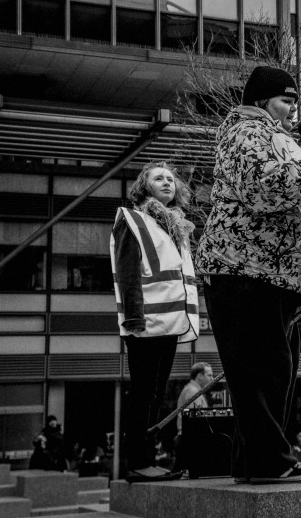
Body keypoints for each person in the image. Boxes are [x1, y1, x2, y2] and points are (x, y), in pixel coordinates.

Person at [196, 65, 301, 484]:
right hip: (244, 269)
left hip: (265, 272)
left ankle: (251, 463)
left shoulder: (276, 139)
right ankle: (269, 461)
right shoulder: (247, 132)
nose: (293, 110)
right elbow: (263, 188)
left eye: (295, 101)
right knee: (264, 370)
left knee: (268, 369)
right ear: (261, 102)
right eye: (285, 101)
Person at [110, 161, 199, 482]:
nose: (166, 182)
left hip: (169, 322)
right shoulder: (132, 219)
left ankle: (145, 459)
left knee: (156, 393)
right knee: (144, 393)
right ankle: (138, 461)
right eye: (157, 178)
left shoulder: (176, 225)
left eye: (170, 179)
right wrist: (133, 319)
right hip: (144, 322)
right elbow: (126, 270)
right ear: (143, 186)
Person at [173, 362, 213, 472]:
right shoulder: (192, 392)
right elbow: (193, 421)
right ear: (199, 376)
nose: (212, 379)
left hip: (187, 439)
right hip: (189, 440)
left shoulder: (192, 390)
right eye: (209, 375)